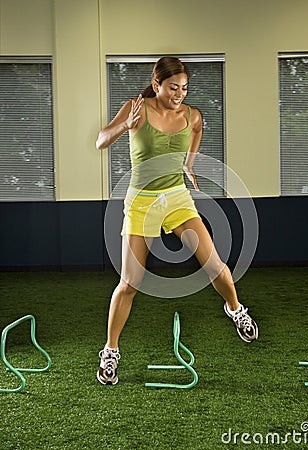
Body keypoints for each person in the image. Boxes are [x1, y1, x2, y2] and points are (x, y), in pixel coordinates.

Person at [96, 56, 258, 385]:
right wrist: (123, 127)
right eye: (173, 87)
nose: (179, 94)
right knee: (129, 283)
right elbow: (100, 140)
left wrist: (190, 163)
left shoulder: (192, 115)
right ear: (157, 85)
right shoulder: (136, 108)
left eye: (184, 88)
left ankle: (235, 308)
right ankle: (110, 351)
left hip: (178, 198)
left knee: (214, 264)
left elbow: (197, 129)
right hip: (141, 202)